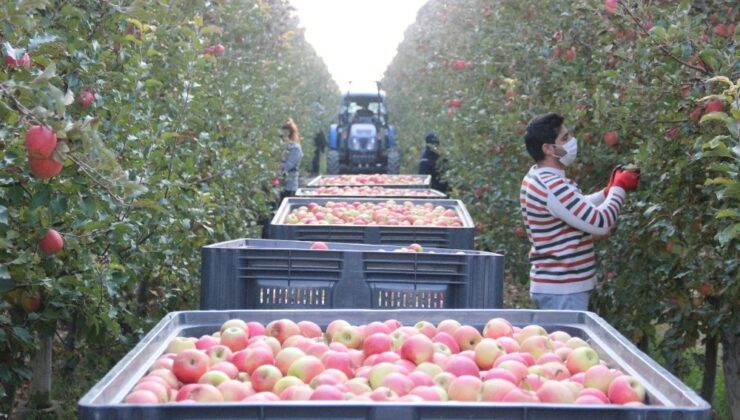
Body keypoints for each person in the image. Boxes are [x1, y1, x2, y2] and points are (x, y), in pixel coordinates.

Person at [519, 113, 640, 310]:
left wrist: (606, 193)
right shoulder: (553, 185)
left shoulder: (537, 176)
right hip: (563, 289)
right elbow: (600, 224)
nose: (572, 142)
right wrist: (619, 188)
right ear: (548, 148)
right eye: (565, 139)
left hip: (556, 286)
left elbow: (575, 206)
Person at [261, 118, 304, 239]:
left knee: (284, 216)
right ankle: (268, 241)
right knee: (269, 215)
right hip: (274, 186)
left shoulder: (295, 148)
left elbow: (286, 167)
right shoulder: (276, 148)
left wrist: (273, 170)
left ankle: (282, 240)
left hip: (287, 187)